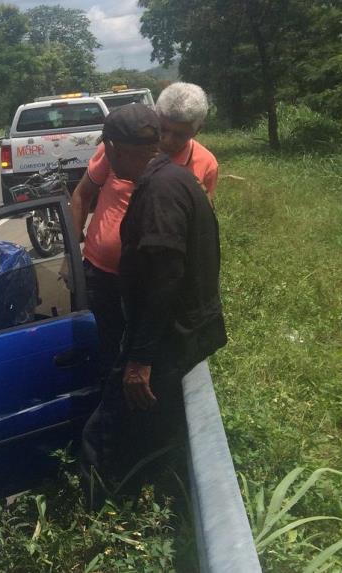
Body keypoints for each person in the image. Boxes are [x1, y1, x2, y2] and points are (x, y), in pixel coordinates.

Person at [80, 103, 227, 489]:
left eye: (108, 150)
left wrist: (139, 360)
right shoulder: (172, 178)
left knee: (107, 433)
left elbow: (164, 281)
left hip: (165, 338)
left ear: (115, 148)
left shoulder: (159, 192)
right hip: (173, 331)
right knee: (152, 429)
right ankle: (150, 494)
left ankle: (109, 506)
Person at [69, 82, 218, 382]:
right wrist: (71, 258)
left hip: (151, 286)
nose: (169, 140)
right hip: (102, 272)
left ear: (197, 131)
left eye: (181, 133)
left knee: (140, 358)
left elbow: (197, 231)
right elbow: (82, 195)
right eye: (164, 129)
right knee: (107, 350)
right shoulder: (120, 148)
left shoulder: (205, 165)